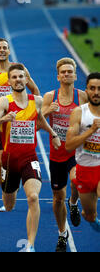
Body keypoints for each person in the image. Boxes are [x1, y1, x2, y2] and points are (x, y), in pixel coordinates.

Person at [0, 63, 61, 252]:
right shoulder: (4, 102)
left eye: (21, 77)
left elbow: (40, 120)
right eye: (14, 77)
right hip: (9, 160)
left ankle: (30, 244)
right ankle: (9, 191)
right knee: (9, 203)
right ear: (9, 81)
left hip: (29, 158)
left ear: (26, 79)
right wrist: (3, 120)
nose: (18, 80)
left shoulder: (36, 100)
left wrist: (53, 134)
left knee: (32, 197)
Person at [0, 38, 40, 212]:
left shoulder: (20, 71)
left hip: (18, 122)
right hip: (0, 121)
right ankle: (7, 190)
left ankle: (13, 184)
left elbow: (35, 90)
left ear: (9, 51)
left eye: (5, 48)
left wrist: (31, 110)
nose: (2, 50)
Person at [42, 57, 87, 251]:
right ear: (58, 76)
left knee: (77, 180)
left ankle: (74, 202)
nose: (67, 74)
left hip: (77, 150)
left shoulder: (83, 97)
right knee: (58, 198)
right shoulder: (50, 96)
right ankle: (62, 234)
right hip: (57, 153)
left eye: (70, 72)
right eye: (63, 72)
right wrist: (46, 112)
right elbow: (36, 123)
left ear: (75, 76)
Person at [65, 72, 100, 233]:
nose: (96, 92)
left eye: (99, 88)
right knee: (90, 215)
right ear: (86, 91)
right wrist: (91, 130)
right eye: (92, 88)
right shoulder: (79, 113)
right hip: (85, 169)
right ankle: (88, 214)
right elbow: (69, 145)